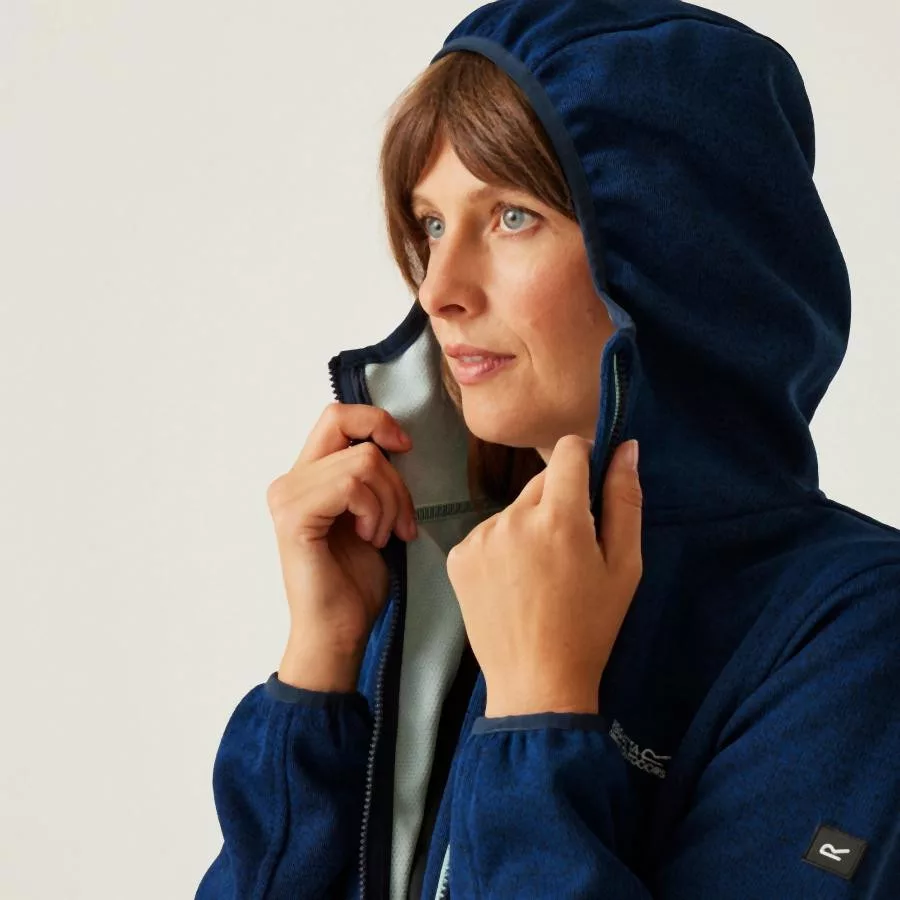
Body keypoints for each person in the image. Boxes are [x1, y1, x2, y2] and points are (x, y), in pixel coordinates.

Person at [195, 1, 900, 897]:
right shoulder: (445, 575)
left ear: (676, 256)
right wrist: (321, 668)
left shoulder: (859, 632)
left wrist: (539, 712)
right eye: (432, 224)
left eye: (511, 216)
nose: (439, 289)